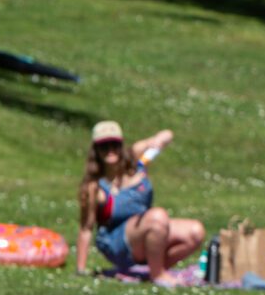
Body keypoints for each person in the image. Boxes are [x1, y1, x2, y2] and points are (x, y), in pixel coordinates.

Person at [76, 121, 204, 286]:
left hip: (147, 230)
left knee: (195, 231)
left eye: (114, 144)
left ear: (121, 145)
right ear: (96, 151)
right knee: (157, 217)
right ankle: (158, 276)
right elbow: (86, 228)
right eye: (104, 146)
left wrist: (154, 142)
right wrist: (81, 268)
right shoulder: (95, 187)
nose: (110, 150)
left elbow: (167, 135)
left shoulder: (137, 161)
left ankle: (152, 270)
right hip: (116, 242)